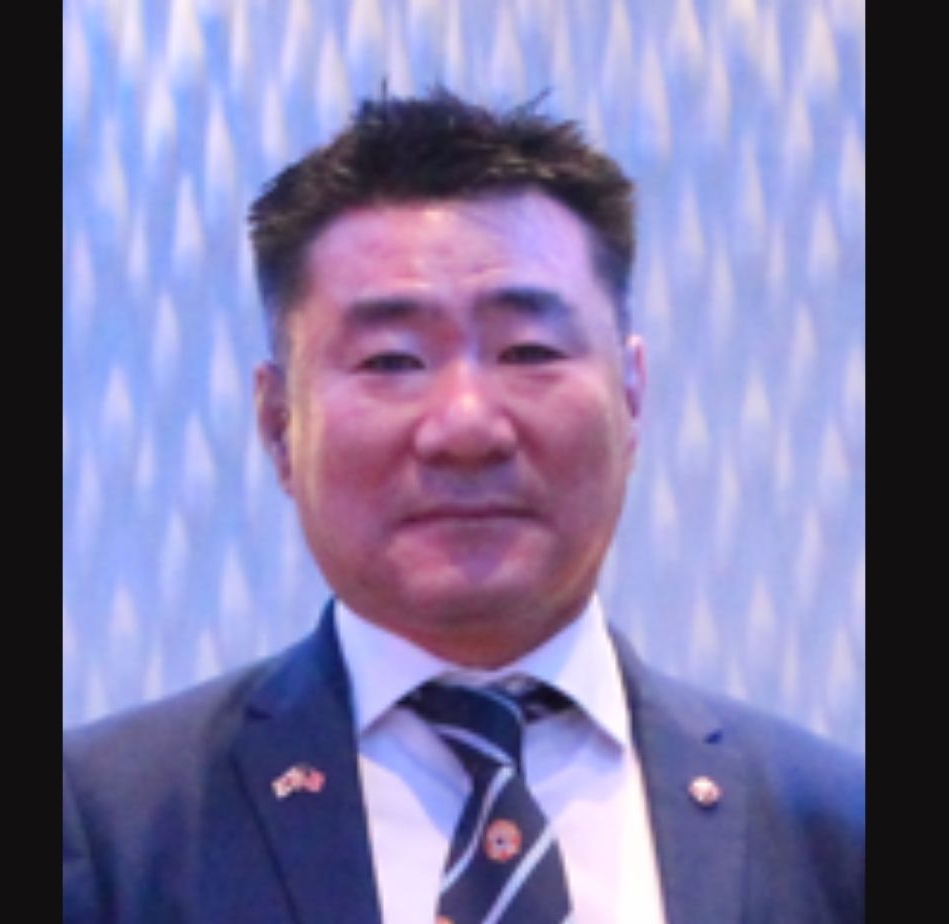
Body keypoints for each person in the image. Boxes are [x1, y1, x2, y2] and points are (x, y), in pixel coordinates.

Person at [63, 88, 864, 924]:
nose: (466, 427)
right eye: (391, 361)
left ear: (631, 396)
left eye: (529, 350)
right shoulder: (110, 831)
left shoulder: (832, 832)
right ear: (278, 423)